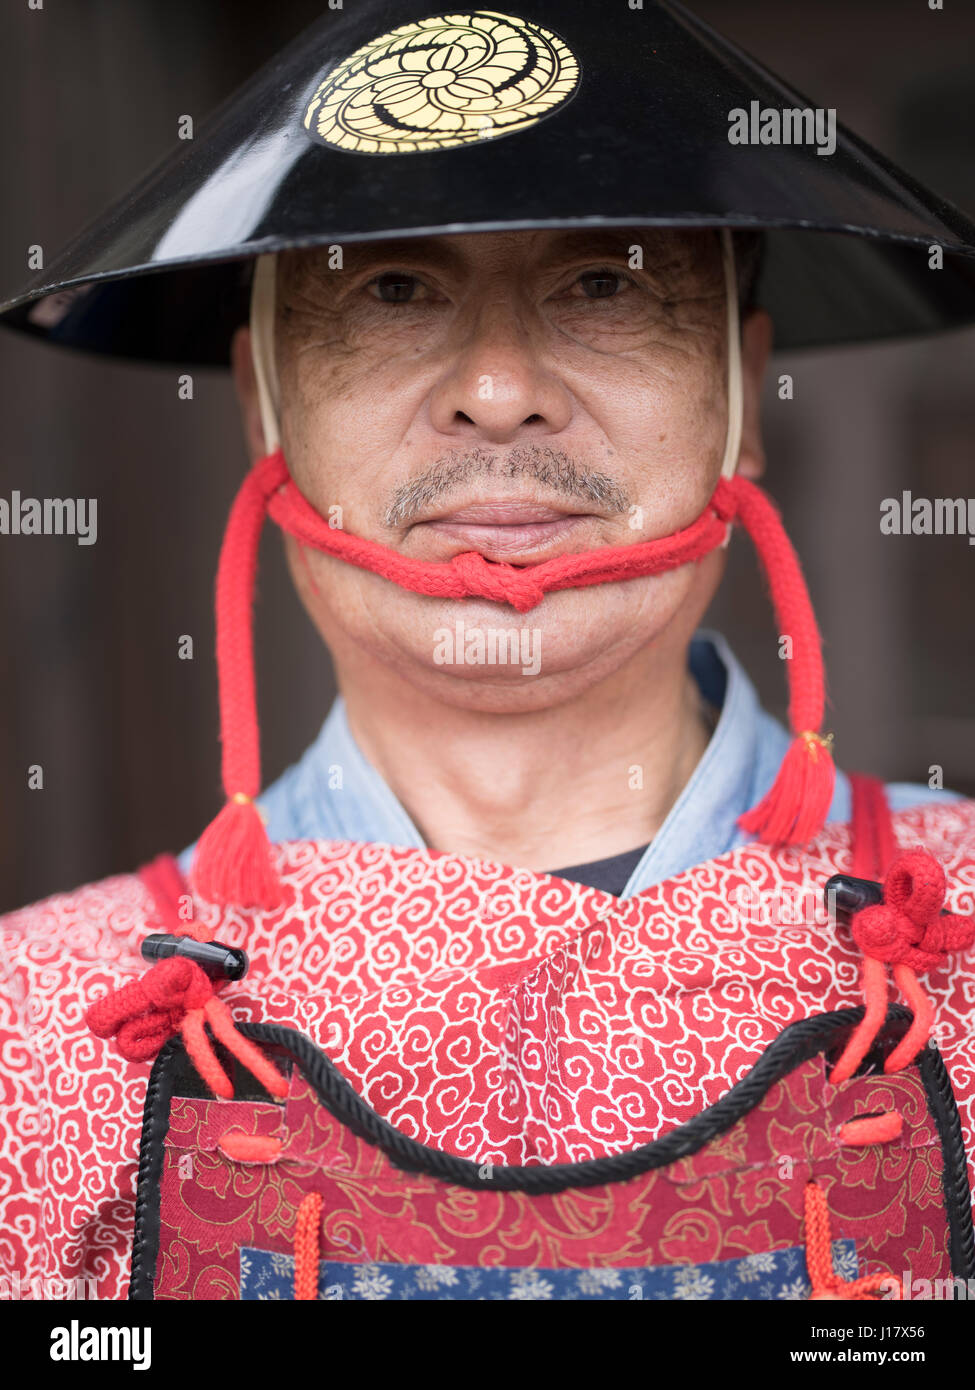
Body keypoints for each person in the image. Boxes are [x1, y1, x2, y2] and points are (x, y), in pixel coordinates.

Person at [2, 2, 975, 1304]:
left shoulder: (955, 921)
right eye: (394, 286)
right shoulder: (42, 1027)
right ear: (262, 402)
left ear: (742, 396)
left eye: (604, 280)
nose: (502, 385)